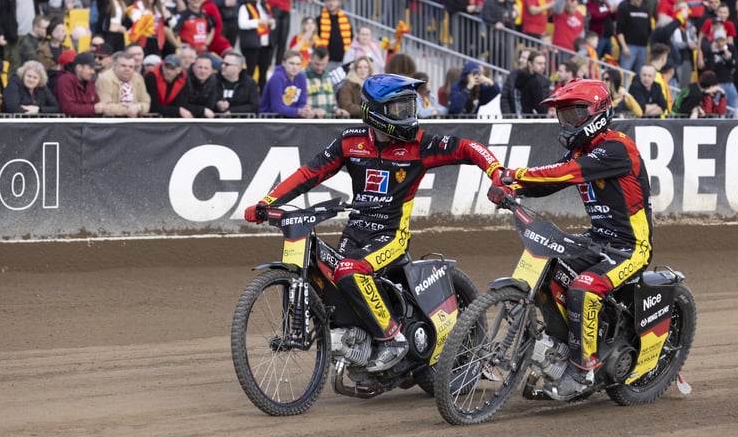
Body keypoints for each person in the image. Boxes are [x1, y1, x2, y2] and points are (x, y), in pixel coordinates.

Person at [243, 73, 506, 373]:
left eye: (411, 106)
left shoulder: (421, 144)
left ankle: (393, 339)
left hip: (392, 235)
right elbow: (309, 173)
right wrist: (267, 202)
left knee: (348, 269)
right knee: (329, 278)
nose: (408, 115)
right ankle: (357, 343)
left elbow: (469, 148)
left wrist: (497, 172)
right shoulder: (350, 141)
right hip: (354, 233)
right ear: (375, 112)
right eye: (399, 109)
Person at [490, 78, 652, 400]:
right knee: (549, 270)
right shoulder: (584, 151)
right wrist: (512, 190)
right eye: (563, 116)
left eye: (575, 115)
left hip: (629, 248)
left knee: (584, 288)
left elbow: (564, 174)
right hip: (597, 240)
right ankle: (563, 350)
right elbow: (549, 182)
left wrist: (512, 175)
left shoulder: (617, 147)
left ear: (598, 113)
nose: (567, 123)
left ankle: (583, 371)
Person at [237, 0, 274, 92]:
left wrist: (272, 22)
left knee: (263, 72)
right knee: (251, 71)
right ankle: (247, 93)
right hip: (252, 44)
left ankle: (262, 95)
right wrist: (258, 22)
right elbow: (242, 24)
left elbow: (270, 22)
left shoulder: (265, 6)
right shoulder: (245, 7)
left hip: (265, 43)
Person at [94, 50, 151, 117]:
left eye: (131, 67)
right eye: (123, 66)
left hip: (135, 120)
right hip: (113, 120)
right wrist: (129, 110)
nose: (127, 69)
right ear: (114, 66)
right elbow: (104, 106)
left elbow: (146, 103)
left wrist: (137, 108)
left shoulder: (138, 78)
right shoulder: (105, 79)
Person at [54, 51, 107, 116]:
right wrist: (93, 109)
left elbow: (95, 102)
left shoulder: (90, 82)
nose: (93, 72)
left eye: (94, 69)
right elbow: (68, 108)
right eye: (90, 68)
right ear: (79, 67)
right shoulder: (65, 80)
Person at [259, 49, 308, 116]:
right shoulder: (277, 78)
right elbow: (277, 107)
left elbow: (302, 103)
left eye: (298, 64)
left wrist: (304, 111)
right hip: (270, 119)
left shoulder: (301, 78)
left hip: (291, 118)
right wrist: (298, 112)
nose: (295, 67)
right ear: (284, 63)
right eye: (291, 63)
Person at [616, 0, 652, 74]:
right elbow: (619, 30)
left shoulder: (645, 10)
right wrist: (624, 47)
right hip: (629, 46)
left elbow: (649, 30)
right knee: (625, 73)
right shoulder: (625, 9)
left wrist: (649, 47)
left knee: (640, 73)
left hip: (643, 47)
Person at [213, 52, 260, 116]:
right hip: (215, 121)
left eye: (227, 64)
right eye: (222, 63)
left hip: (241, 123)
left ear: (238, 68)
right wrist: (217, 104)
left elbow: (254, 105)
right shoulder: (213, 80)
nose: (222, 66)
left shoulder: (249, 83)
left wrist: (232, 111)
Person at [145, 53, 192, 117]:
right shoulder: (151, 77)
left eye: (172, 68)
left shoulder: (184, 79)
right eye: (166, 67)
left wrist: (178, 110)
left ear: (179, 70)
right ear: (162, 66)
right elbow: (153, 106)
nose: (168, 71)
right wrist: (178, 110)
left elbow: (182, 104)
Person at [305, 46, 346, 118]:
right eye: (317, 64)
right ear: (311, 59)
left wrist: (338, 110)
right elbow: (299, 104)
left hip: (328, 122)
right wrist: (313, 111)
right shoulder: (302, 76)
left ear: (327, 61)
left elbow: (333, 102)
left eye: (323, 64)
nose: (319, 67)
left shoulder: (329, 76)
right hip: (310, 121)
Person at [317, 0, 353, 69]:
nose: (331, 3)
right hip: (325, 61)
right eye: (329, 0)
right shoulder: (319, 20)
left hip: (343, 60)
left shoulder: (346, 20)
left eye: (333, 0)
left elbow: (351, 37)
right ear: (325, 2)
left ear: (338, 2)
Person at [513, 51, 550, 117]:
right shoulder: (534, 82)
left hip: (519, 118)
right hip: (531, 122)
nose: (543, 66)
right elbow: (540, 108)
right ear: (530, 63)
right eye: (539, 63)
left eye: (544, 63)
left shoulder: (519, 77)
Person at [185, 52, 219, 117]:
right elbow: (182, 104)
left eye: (206, 68)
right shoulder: (184, 79)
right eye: (200, 67)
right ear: (193, 67)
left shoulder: (214, 81)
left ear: (211, 70)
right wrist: (202, 110)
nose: (202, 71)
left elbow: (211, 105)